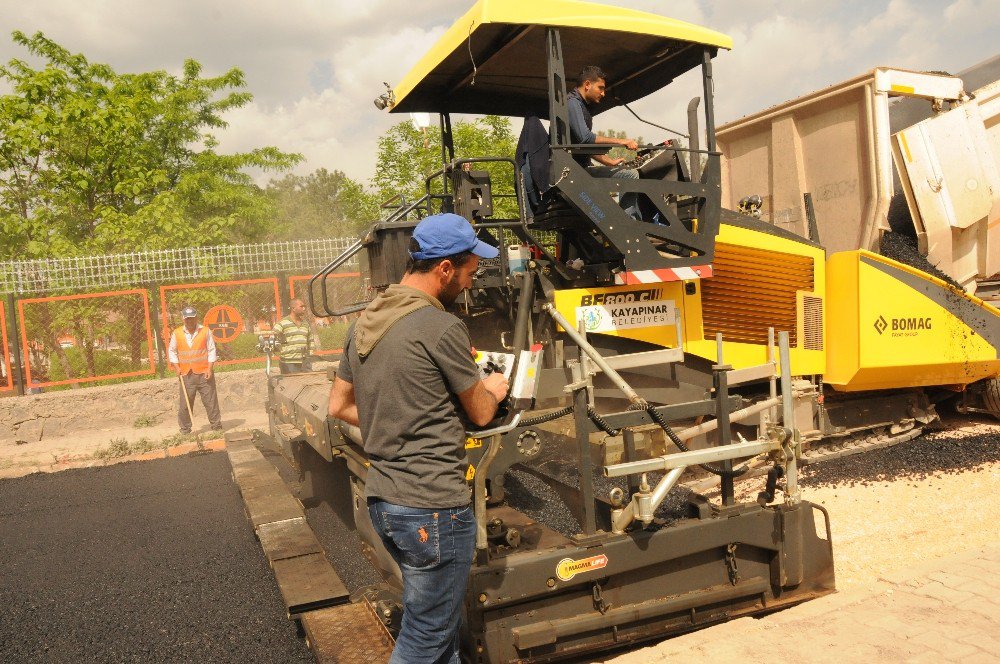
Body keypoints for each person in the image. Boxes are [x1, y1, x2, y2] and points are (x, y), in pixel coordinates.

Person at [328, 213, 509, 664]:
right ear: (445, 269)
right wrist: (494, 388)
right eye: (469, 271)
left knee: (441, 638)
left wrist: (401, 423)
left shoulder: (368, 321)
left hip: (385, 502)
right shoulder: (441, 327)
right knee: (424, 641)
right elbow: (483, 413)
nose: (470, 283)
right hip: (433, 508)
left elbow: (339, 405)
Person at [568, 65, 642, 217]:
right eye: (600, 88)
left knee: (628, 174)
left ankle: (628, 221)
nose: (603, 93)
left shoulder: (580, 106)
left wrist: (609, 161)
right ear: (587, 84)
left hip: (577, 168)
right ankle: (629, 224)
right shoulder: (572, 103)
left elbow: (582, 145)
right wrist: (622, 141)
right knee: (631, 175)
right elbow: (585, 138)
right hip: (576, 172)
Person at [168, 306, 223, 434]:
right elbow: (172, 351)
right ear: (183, 319)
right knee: (185, 404)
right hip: (186, 374)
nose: (190, 321)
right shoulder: (177, 333)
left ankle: (216, 426)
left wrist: (210, 368)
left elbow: (211, 350)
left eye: (192, 318)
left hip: (205, 373)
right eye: (187, 319)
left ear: (196, 318)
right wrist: (177, 367)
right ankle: (185, 429)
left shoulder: (205, 331)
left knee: (210, 401)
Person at [272, 298, 317, 374]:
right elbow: (273, 336)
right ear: (293, 308)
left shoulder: (305, 324)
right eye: (301, 306)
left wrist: (309, 356)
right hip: (289, 363)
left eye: (304, 306)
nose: (304, 308)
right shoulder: (283, 323)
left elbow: (310, 341)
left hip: (305, 362)